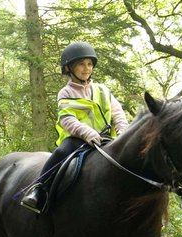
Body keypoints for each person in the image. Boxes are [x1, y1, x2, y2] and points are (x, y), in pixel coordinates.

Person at [20, 41, 130, 213]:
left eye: (89, 64)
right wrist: (87, 133)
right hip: (78, 140)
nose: (86, 68)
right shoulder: (66, 93)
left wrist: (124, 131)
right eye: (81, 64)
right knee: (60, 153)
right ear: (69, 68)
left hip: (107, 139)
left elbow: (118, 113)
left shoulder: (102, 90)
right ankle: (39, 189)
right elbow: (68, 119)